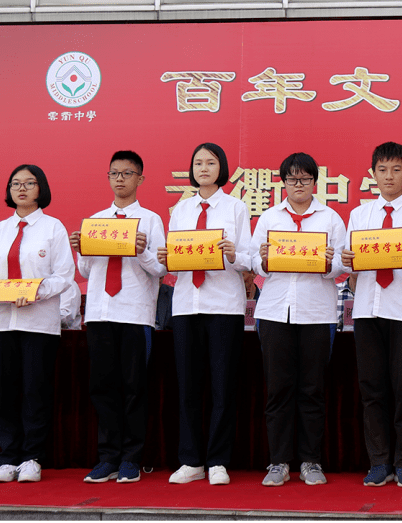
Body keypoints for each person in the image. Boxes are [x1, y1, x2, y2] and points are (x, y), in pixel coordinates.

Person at [156, 143, 252, 486]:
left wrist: (233, 253)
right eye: (198, 162)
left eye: (211, 162)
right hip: (186, 305)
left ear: (221, 168)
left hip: (223, 305)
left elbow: (250, 258)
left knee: (223, 385)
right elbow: (171, 260)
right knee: (188, 385)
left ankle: (218, 460)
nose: (204, 168)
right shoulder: (180, 210)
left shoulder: (237, 208)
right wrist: (166, 255)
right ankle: (190, 459)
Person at [69, 150, 167, 484]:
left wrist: (141, 251)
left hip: (134, 313)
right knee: (102, 388)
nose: (120, 179)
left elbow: (161, 270)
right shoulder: (95, 221)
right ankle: (107, 457)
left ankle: (131, 458)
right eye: (114, 173)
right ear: (108, 178)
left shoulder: (151, 220)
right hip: (99, 312)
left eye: (127, 173)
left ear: (141, 178)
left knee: (134, 387)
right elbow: (84, 271)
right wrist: (81, 248)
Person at [341, 142, 402, 488]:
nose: (390, 176)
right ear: (372, 175)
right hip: (367, 311)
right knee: (372, 390)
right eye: (383, 170)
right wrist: (348, 261)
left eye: (397, 170)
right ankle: (379, 462)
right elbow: (348, 267)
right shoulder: (360, 215)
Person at [252, 152, 346, 487]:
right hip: (275, 311)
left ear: (314, 182)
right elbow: (254, 262)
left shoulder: (331, 219)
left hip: (316, 313)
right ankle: (278, 462)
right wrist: (263, 258)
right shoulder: (269, 218)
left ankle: (310, 460)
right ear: (283, 183)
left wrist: (331, 262)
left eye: (305, 179)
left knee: (312, 390)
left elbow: (342, 268)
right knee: (278, 389)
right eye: (292, 179)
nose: (299, 185)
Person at [0, 164, 75, 483]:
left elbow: (63, 275)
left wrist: (33, 291)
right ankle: (7, 458)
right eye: (15, 183)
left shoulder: (53, 228)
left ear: (41, 188)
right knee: (3, 392)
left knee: (35, 391)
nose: (21, 188)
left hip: (38, 324)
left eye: (29, 183)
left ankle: (32, 458)